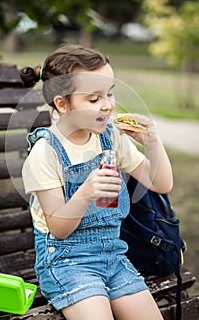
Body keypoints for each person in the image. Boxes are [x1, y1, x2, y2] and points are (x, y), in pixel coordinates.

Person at [21, 44, 172, 320]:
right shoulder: (46, 152)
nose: (107, 104)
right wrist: (86, 192)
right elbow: (59, 228)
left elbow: (161, 183)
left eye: (110, 93)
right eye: (93, 99)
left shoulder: (110, 138)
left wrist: (153, 142)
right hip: (67, 263)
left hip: (113, 256)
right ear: (62, 104)